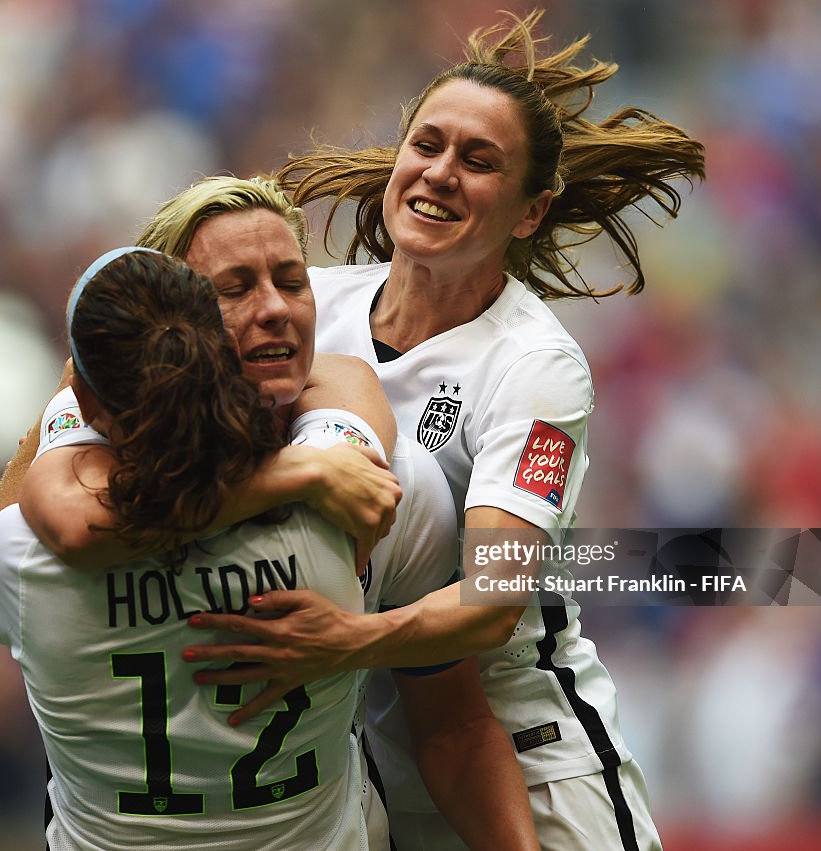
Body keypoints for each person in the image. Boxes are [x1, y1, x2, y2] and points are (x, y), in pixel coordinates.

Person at [177, 10, 707, 851]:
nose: (440, 173)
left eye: (479, 159)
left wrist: (346, 641)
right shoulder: (305, 302)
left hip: (530, 759)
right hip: (362, 767)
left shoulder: (536, 364)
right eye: (428, 145)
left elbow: (495, 598)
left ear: (530, 214)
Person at [14, 179, 540, 850]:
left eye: (292, 280)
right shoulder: (342, 478)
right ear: (169, 318)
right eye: (233, 289)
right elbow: (68, 518)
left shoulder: (385, 469)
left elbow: (455, 725)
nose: (274, 309)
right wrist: (300, 472)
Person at [0, 247, 377, 849]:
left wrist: (67, 398)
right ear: (226, 368)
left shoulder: (24, 556)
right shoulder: (333, 502)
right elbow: (347, 379)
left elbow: (34, 511)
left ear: (87, 402)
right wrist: (287, 476)